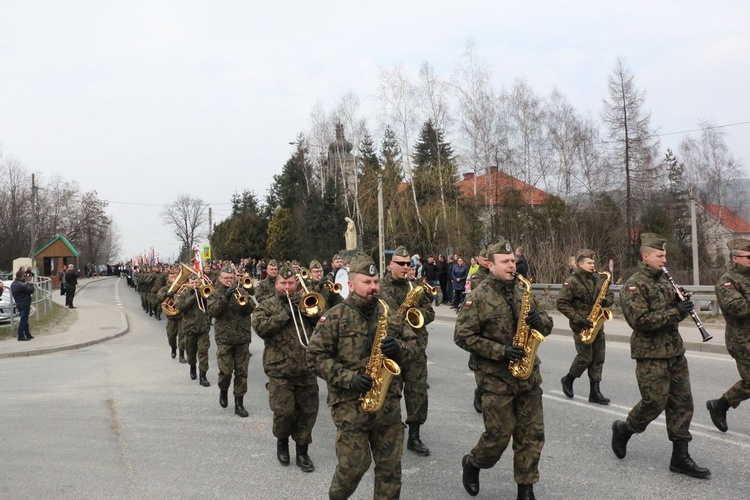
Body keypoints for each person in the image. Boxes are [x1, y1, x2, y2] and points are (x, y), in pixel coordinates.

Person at [306, 253, 418, 500]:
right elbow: (314, 358)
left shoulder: (389, 314)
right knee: (353, 467)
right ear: (351, 284)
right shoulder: (335, 316)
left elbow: (414, 348)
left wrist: (399, 348)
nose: (373, 287)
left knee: (390, 471)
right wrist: (349, 378)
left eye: (376, 281)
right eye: (367, 282)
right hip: (350, 406)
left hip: (387, 405)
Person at [454, 240, 552, 500]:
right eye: (506, 262)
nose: (512, 265)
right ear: (490, 265)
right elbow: (462, 336)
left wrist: (539, 321)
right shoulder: (478, 297)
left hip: (528, 375)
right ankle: (473, 463)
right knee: (498, 436)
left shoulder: (523, 291)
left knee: (532, 435)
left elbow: (548, 323)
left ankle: (526, 488)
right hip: (496, 379)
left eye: (513, 261)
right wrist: (501, 351)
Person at [613, 233, 710, 479]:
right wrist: (676, 311)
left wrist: (682, 302)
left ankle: (680, 457)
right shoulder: (635, 285)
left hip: (674, 351)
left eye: (665, 255)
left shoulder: (666, 281)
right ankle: (625, 429)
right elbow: (641, 321)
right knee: (654, 402)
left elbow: (672, 311)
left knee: (682, 403)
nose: (664, 259)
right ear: (646, 256)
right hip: (650, 354)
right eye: (660, 255)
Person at [252, 262, 320, 473]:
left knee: (308, 412)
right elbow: (261, 328)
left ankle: (302, 452)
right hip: (279, 369)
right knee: (284, 412)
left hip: (306, 367)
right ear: (276, 284)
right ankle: (282, 442)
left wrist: (314, 314)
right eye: (284, 283)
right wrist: (285, 313)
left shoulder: (305, 303)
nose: (288, 287)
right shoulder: (266, 305)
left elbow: (323, 327)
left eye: (291, 283)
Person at [380, 245, 435, 457]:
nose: (406, 268)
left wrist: (415, 312)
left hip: (415, 348)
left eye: (408, 265)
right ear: (390, 265)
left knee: (417, 393)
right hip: (390, 349)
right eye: (401, 264)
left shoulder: (416, 289)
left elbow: (429, 313)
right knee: (389, 394)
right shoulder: (380, 288)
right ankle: (388, 433)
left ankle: (414, 436)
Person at [557, 249, 614, 405]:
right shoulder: (572, 281)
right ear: (580, 264)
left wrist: (605, 302)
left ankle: (594, 392)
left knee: (598, 358)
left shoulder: (599, 279)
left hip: (597, 324)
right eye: (589, 262)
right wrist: (578, 319)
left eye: (593, 262)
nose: (592, 265)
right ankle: (568, 379)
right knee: (585, 358)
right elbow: (561, 303)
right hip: (580, 326)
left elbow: (609, 295)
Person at [706, 238, 750, 433]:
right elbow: (737, 309)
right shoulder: (727, 281)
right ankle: (720, 405)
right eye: (748, 256)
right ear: (735, 258)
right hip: (742, 340)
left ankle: (720, 405)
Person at [206, 264, 255, 417]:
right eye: (226, 278)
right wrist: (226, 297)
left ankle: (239, 404)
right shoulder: (214, 294)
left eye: (231, 278)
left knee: (242, 373)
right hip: (224, 338)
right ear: (220, 279)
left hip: (242, 338)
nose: (228, 281)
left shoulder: (241, 291)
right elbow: (213, 312)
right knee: (226, 372)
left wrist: (245, 301)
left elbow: (252, 308)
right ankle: (223, 390)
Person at [176, 274, 212, 387]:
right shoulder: (182, 295)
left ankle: (203, 375)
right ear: (188, 284)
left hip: (203, 328)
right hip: (189, 328)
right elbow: (181, 307)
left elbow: (212, 303)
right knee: (191, 352)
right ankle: (192, 367)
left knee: (203, 352)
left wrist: (204, 296)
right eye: (192, 283)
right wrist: (193, 297)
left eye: (196, 283)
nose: (195, 285)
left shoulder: (203, 293)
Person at [11, 269, 35, 341]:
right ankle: (20, 335)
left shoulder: (14, 284)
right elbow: (31, 290)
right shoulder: (21, 285)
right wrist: (31, 284)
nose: (25, 277)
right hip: (24, 303)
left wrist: (25, 284)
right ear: (21, 276)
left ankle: (27, 334)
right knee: (24, 320)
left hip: (19, 303)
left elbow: (23, 290)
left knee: (25, 319)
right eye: (24, 276)